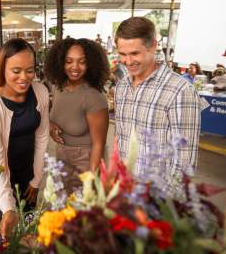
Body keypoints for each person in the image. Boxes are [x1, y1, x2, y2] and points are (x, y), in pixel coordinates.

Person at [114, 17, 207, 189]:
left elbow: (184, 161)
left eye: (135, 53)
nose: (128, 61)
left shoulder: (180, 90)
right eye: (122, 54)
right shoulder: (122, 87)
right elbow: (121, 139)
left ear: (153, 46)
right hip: (124, 191)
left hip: (157, 199)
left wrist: (164, 206)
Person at [0, 38, 49, 239]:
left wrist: (36, 180)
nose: (24, 77)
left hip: (28, 170)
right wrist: (8, 207)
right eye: (16, 71)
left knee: (28, 226)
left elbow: (42, 137)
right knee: (5, 233)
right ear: (2, 68)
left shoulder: (40, 91)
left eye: (30, 70)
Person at [44, 38, 109, 193]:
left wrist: (92, 179)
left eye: (82, 62)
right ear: (60, 62)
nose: (75, 67)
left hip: (85, 159)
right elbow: (54, 115)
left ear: (91, 64)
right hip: (61, 155)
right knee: (62, 207)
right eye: (68, 61)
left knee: (83, 210)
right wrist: (50, 124)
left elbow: (99, 144)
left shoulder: (93, 96)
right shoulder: (58, 87)